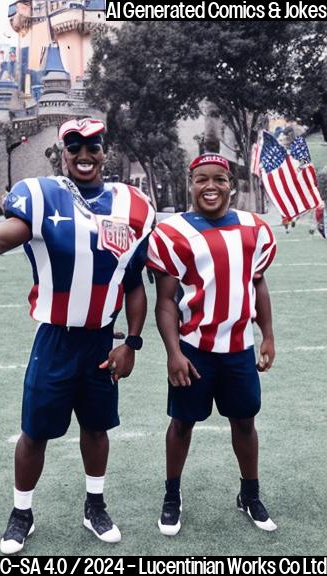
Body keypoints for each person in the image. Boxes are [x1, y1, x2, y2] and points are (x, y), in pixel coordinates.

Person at [0, 118, 155, 554]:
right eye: (75, 148)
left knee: (97, 427)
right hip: (54, 338)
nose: (84, 155)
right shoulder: (43, 194)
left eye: (93, 147)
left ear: (106, 151)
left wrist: (133, 343)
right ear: (61, 153)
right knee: (36, 431)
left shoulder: (131, 205)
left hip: (101, 340)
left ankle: (95, 505)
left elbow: (136, 283)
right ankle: (21, 513)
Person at [147, 153, 278, 536]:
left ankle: (249, 493)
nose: (210, 186)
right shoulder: (173, 234)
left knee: (244, 421)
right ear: (190, 184)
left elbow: (258, 284)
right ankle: (172, 495)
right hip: (194, 349)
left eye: (219, 179)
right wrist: (174, 353)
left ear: (230, 184)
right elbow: (166, 301)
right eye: (201, 179)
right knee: (183, 422)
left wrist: (266, 333)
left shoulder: (254, 228)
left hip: (238, 348)